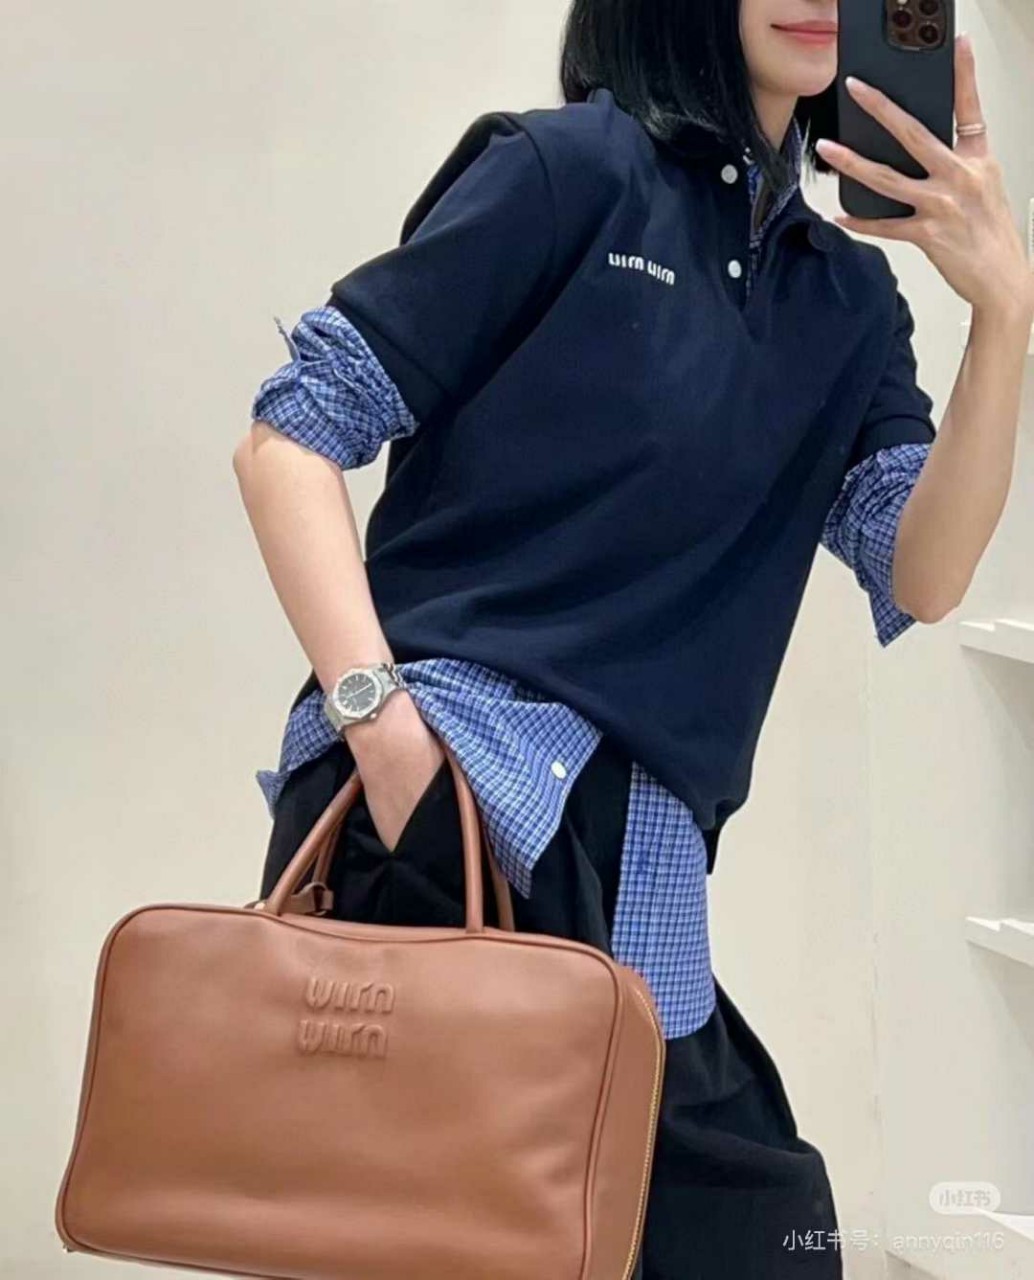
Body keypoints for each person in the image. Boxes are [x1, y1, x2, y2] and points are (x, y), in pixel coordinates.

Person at [233, 1, 1033, 1274]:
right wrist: (382, 731)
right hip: (454, 806)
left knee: (759, 1234)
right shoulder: (566, 173)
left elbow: (923, 571)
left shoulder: (846, 299)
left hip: (646, 868)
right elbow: (289, 439)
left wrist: (1003, 312)